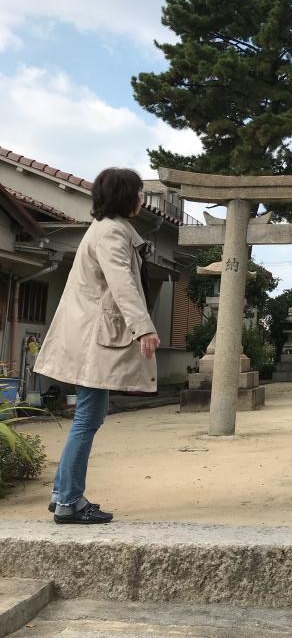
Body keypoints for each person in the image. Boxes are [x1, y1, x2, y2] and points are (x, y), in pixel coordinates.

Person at [34, 168, 161, 524]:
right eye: (138, 192)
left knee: (89, 417)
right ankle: (68, 501)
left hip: (92, 337)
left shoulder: (108, 229)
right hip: (95, 340)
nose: (142, 199)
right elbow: (122, 284)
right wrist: (143, 328)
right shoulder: (112, 234)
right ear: (125, 196)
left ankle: (63, 493)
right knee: (87, 419)